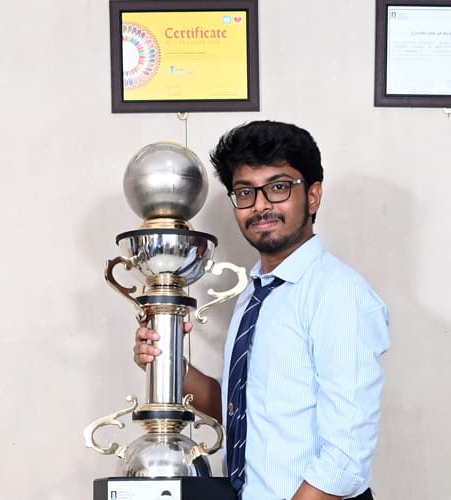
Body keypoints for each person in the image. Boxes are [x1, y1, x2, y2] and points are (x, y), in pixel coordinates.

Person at [132, 120, 389, 500]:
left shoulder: (337, 293)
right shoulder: (256, 293)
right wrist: (168, 362)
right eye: (245, 192)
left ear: (313, 196)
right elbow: (242, 410)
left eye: (278, 187)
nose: (261, 205)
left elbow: (345, 459)